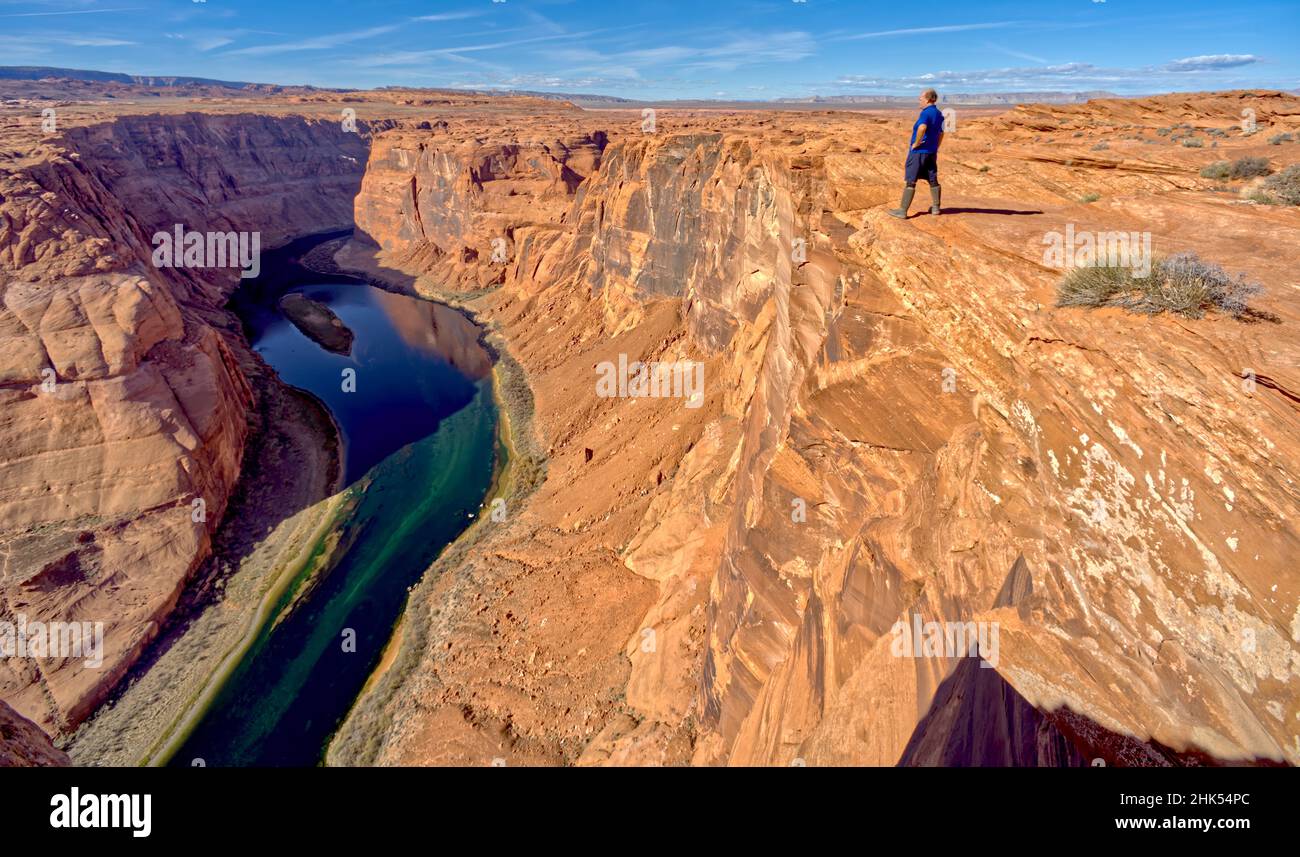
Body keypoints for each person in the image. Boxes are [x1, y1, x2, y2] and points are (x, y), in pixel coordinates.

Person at [888, 89, 944, 218]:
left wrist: (917, 143)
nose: (919, 100)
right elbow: (941, 133)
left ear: (928, 99)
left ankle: (902, 211)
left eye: (920, 98)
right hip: (931, 152)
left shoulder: (925, 113)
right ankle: (936, 208)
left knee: (911, 181)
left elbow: (922, 127)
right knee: (932, 179)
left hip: (919, 152)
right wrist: (936, 146)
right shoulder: (939, 113)